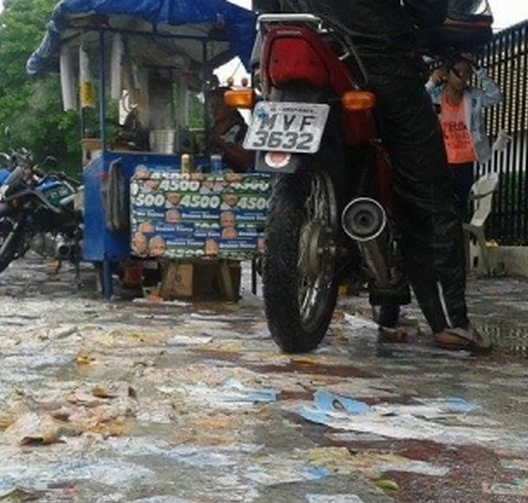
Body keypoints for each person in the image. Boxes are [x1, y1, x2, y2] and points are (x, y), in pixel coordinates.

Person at [257, 0, 489, 352]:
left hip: (287, 48)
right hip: (377, 59)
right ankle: (449, 321)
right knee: (425, 186)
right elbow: (427, 10)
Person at [426, 56, 503, 223]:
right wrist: (432, 81)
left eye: (467, 72)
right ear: (446, 74)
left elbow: (496, 96)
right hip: (442, 160)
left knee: (460, 207)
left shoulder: (473, 96)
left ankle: (458, 240)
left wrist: (480, 72)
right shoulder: (436, 96)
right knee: (441, 204)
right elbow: (416, 103)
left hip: (465, 161)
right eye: (458, 72)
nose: (463, 77)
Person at [207, 87, 253, 172]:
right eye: (212, 106)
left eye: (219, 106)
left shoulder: (242, 130)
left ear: (231, 107)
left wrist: (222, 144)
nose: (214, 110)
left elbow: (245, 160)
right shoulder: (212, 129)